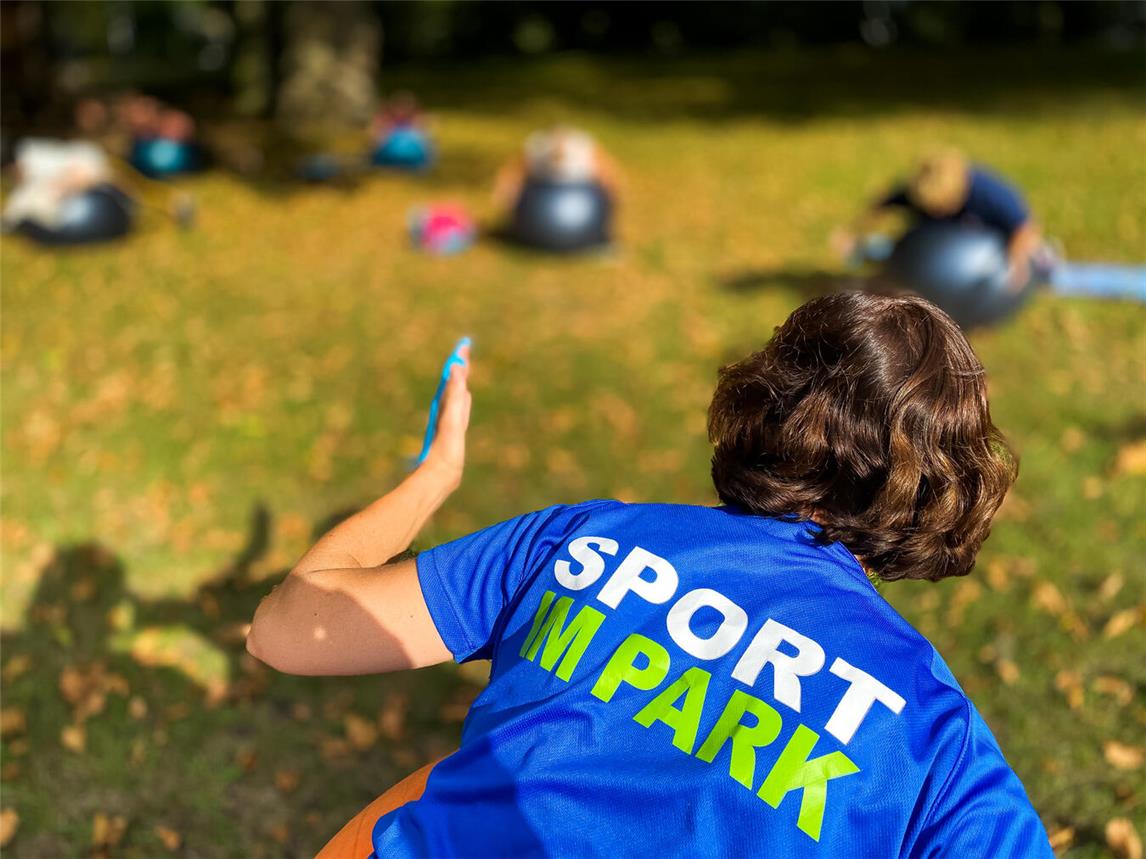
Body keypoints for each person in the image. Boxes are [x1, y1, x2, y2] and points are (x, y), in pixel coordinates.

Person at [246, 292, 1053, 858]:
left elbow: (286, 629)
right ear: (939, 491)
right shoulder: (930, 732)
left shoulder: (582, 539)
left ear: (758, 405)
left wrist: (432, 479)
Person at [835, 149, 1054, 288]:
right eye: (932, 208)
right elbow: (879, 207)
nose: (937, 212)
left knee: (1037, 258)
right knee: (880, 250)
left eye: (942, 206)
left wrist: (1016, 263)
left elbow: (1024, 227)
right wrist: (852, 234)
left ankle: (1046, 259)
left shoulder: (988, 192)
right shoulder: (916, 192)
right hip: (935, 249)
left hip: (987, 249)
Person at [493, 124, 619, 212]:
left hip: (580, 190)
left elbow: (607, 174)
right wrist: (507, 193)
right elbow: (514, 171)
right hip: (541, 191)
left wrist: (609, 200)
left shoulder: (583, 151)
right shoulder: (537, 150)